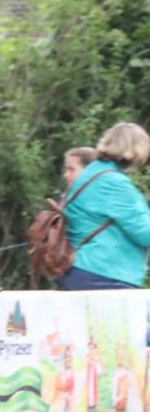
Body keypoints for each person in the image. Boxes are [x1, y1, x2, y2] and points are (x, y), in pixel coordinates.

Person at [58, 122, 150, 290]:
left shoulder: (93, 173)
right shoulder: (113, 182)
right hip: (105, 272)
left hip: (84, 269)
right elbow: (145, 232)